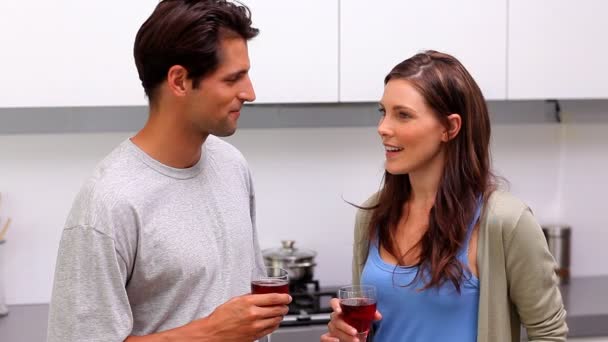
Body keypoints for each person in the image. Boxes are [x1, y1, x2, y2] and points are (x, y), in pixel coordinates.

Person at [47, 1, 291, 341]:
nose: (250, 93)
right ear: (179, 80)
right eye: (233, 78)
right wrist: (211, 332)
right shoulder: (108, 202)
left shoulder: (232, 165)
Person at [321, 50, 568, 342]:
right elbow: (367, 330)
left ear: (450, 127)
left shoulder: (505, 221)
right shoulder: (372, 214)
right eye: (383, 112)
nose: (383, 128)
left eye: (403, 115)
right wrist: (346, 335)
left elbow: (549, 334)